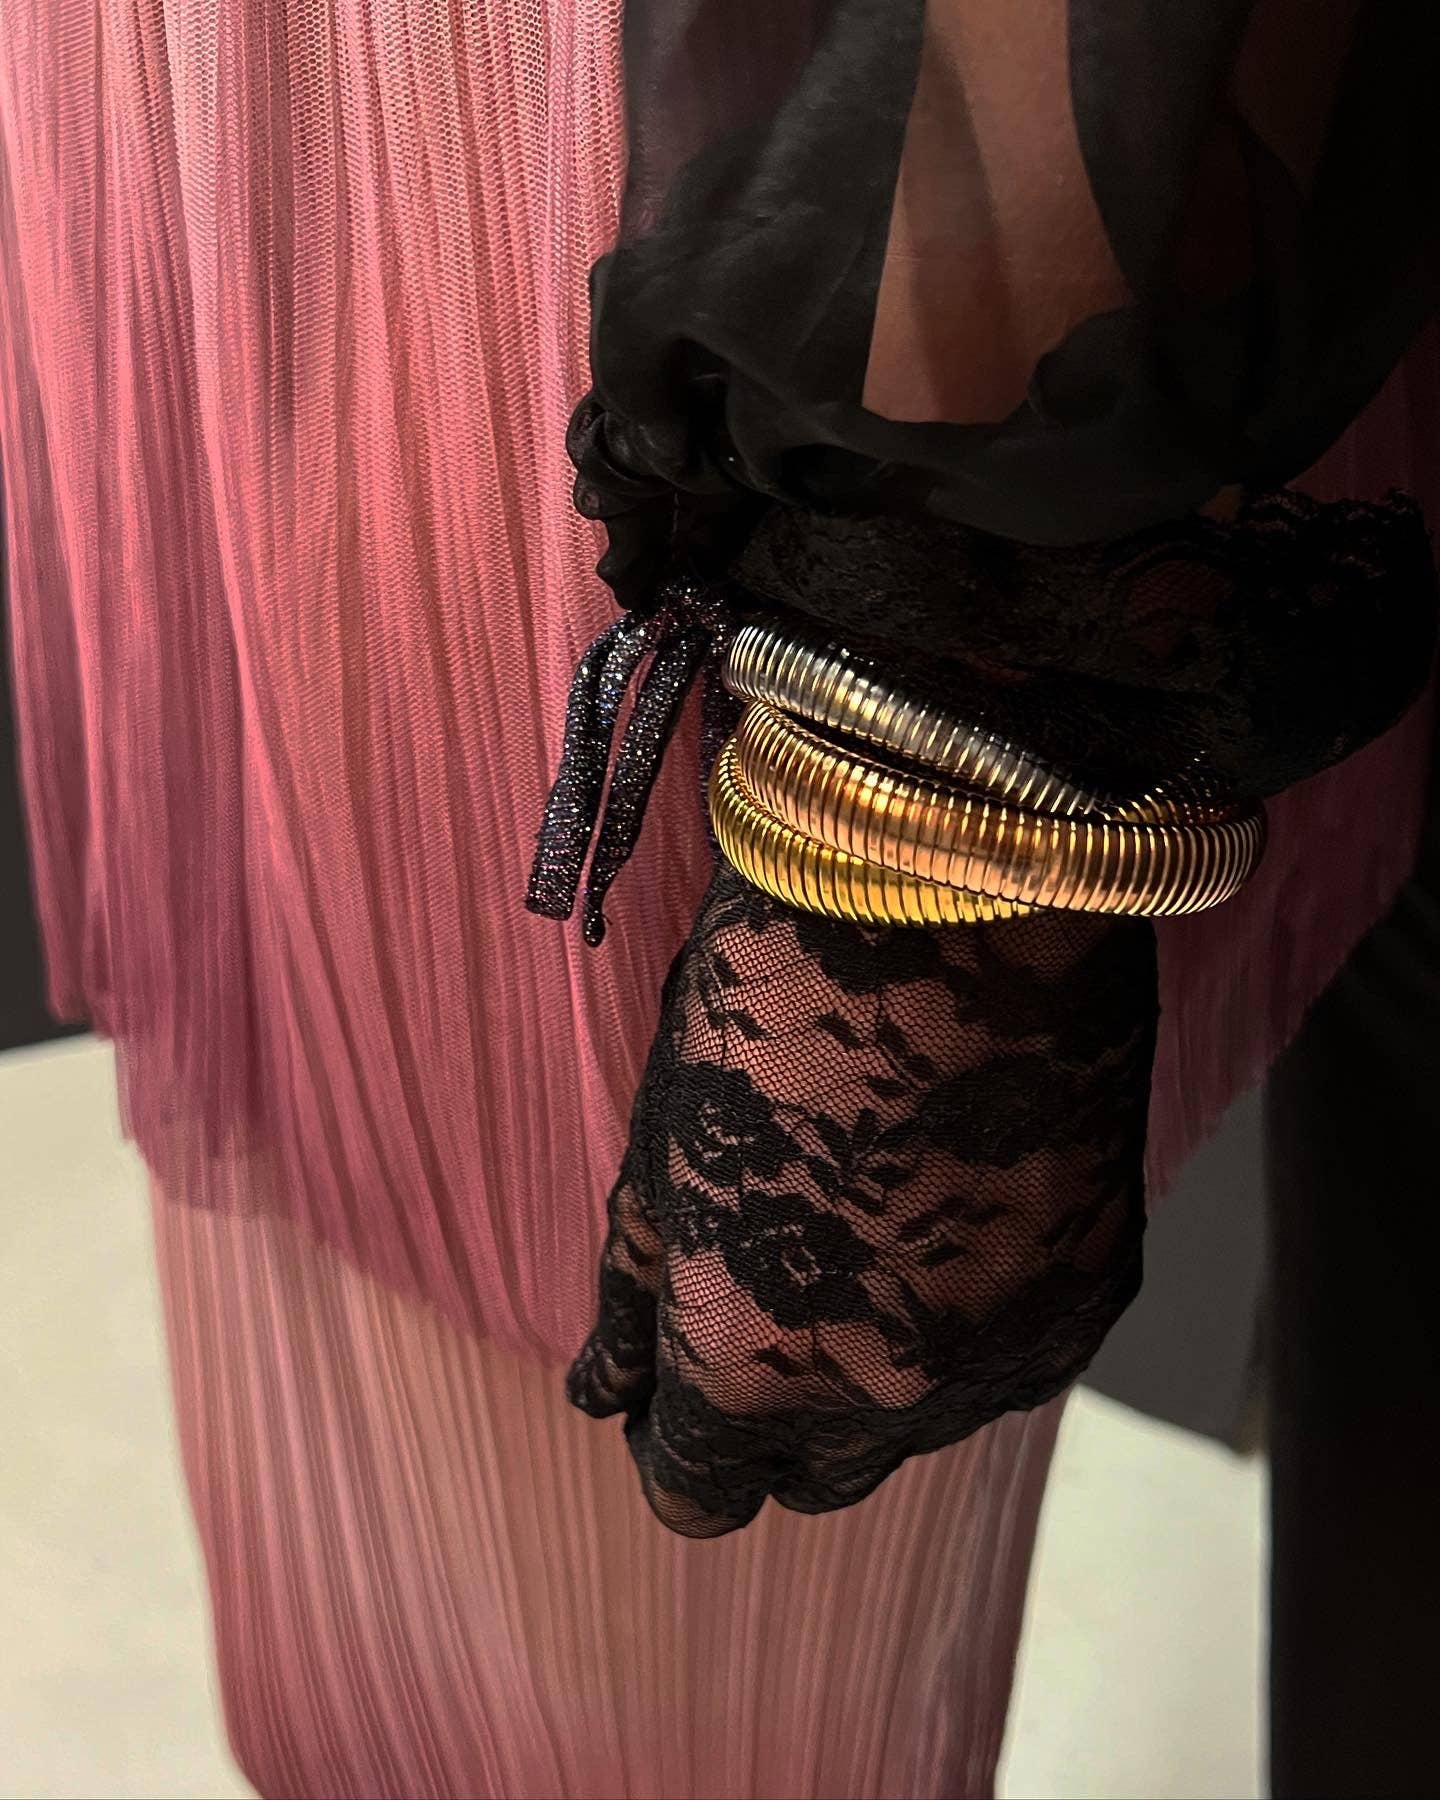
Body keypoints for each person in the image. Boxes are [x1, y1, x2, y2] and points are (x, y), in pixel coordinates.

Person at [2, 3, 1436, 1793]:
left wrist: (924, 782)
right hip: (299, 121)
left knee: (639, 1647)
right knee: (426, 1437)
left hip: (742, 208)